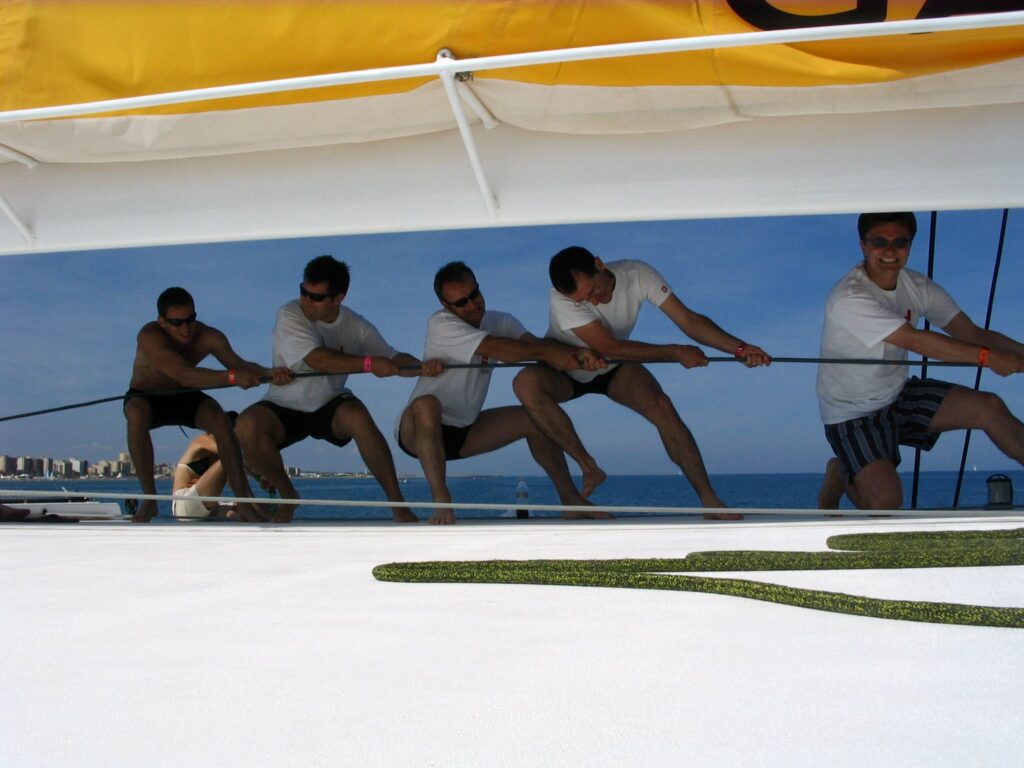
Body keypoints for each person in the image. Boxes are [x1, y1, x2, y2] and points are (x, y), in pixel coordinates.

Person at [512, 246, 771, 520]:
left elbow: (689, 320)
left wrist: (740, 349)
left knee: (662, 406)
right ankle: (587, 468)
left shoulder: (637, 274)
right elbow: (608, 346)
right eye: (585, 300)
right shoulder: (561, 297)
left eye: (595, 291)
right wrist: (675, 352)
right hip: (568, 365)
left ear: (599, 264)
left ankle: (710, 501)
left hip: (613, 365)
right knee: (525, 383)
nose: (595, 302)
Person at [817, 212, 1024, 511]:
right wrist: (988, 359)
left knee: (989, 407)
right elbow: (914, 340)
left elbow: (971, 332)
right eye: (880, 242)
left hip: (897, 394)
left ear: (910, 245)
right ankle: (839, 474)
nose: (890, 250)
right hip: (851, 413)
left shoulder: (917, 286)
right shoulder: (848, 297)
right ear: (863, 245)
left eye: (900, 242)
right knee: (885, 503)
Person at [397, 261, 612, 525]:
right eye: (461, 302)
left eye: (474, 294)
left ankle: (571, 500)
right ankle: (442, 502)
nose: (472, 305)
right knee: (427, 405)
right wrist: (547, 353)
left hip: (465, 430)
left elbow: (534, 345)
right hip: (417, 432)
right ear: (446, 306)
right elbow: (501, 348)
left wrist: (577, 353)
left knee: (533, 418)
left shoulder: (500, 321)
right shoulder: (441, 324)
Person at [236, 255, 439, 523]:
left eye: (317, 297)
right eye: (303, 292)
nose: (307, 301)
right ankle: (288, 495)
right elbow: (315, 359)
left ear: (339, 298)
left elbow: (393, 357)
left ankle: (398, 504)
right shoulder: (290, 313)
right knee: (246, 425)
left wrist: (422, 367)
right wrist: (368, 363)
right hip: (284, 403)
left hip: (329, 403)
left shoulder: (356, 326)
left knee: (359, 417)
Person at [125, 287, 292, 523]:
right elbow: (184, 374)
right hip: (147, 395)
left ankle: (243, 502)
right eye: (177, 322)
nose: (186, 328)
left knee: (219, 420)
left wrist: (270, 373)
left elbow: (238, 364)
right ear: (161, 322)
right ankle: (150, 501)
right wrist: (234, 378)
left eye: (191, 319)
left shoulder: (208, 336)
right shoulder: (149, 336)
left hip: (184, 394)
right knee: (135, 413)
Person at [171, 421, 261, 521]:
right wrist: (259, 474)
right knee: (229, 457)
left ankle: (255, 509)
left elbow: (234, 478)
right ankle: (254, 505)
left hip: (208, 507)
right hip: (185, 504)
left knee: (245, 512)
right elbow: (234, 456)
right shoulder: (201, 440)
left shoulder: (220, 453)